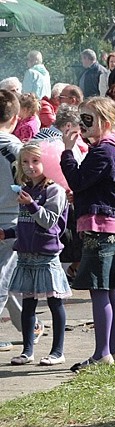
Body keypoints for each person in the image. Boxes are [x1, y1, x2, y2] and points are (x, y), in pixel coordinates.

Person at [60, 96, 115, 372]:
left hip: (99, 229)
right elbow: (93, 186)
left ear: (105, 123)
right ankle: (114, 350)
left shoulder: (102, 152)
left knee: (99, 291)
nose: (82, 126)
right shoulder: (113, 149)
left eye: (87, 120)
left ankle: (101, 353)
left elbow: (78, 179)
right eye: (81, 118)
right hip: (114, 228)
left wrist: (67, 152)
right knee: (112, 291)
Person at [4, 142, 71, 366]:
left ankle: (57, 351)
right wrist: (8, 233)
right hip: (25, 254)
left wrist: (32, 204)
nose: (30, 166)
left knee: (54, 302)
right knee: (28, 304)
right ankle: (27, 350)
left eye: (35, 161)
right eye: (25, 162)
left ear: (48, 163)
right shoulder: (26, 189)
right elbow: (26, 224)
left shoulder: (54, 190)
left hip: (46, 254)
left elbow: (49, 222)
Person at [0, 91, 28, 353]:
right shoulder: (16, 149)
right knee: (2, 277)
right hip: (9, 219)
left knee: (5, 276)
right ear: (16, 118)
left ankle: (27, 325)